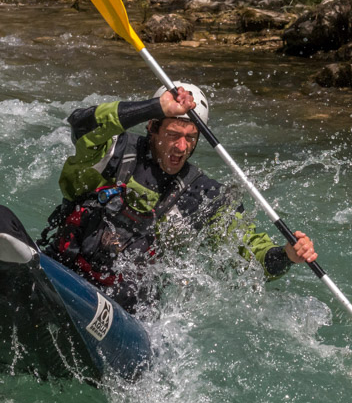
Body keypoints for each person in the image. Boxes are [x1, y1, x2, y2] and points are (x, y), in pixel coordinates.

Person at [32, 82, 317, 313]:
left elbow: (252, 257)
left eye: (191, 138)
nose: (181, 147)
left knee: (136, 289)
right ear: (152, 127)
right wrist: (155, 107)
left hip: (123, 304)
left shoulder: (205, 196)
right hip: (64, 271)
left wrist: (287, 255)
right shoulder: (112, 153)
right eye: (172, 134)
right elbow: (81, 124)